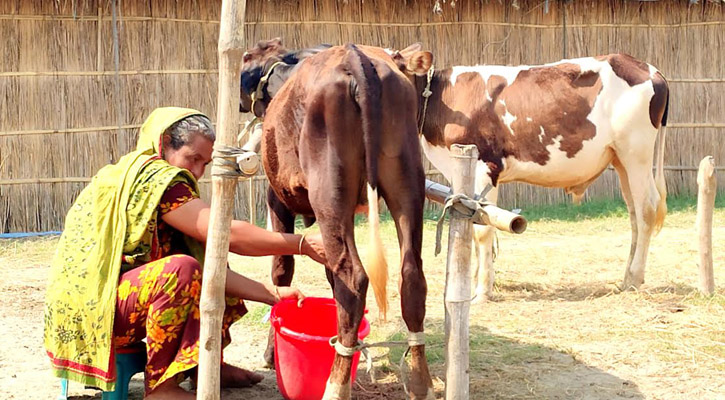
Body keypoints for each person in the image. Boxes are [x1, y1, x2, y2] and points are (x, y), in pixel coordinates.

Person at [43, 107, 326, 399]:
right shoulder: (158, 181)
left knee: (205, 258)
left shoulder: (136, 177)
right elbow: (224, 234)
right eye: (193, 158)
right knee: (181, 270)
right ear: (165, 142)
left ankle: (207, 365)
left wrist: (274, 295)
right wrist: (302, 244)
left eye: (206, 162)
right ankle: (162, 388)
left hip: (106, 304)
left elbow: (213, 266)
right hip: (99, 313)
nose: (199, 172)